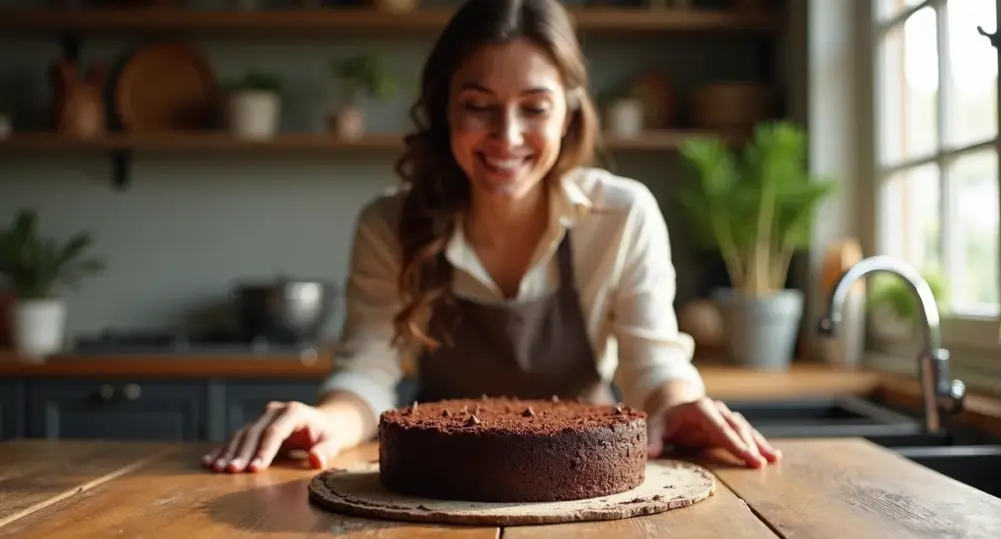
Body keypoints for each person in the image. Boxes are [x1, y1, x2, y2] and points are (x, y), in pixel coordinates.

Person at [202, 0, 780, 474]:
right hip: (441, 480)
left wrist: (681, 404)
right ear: (442, 109)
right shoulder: (390, 225)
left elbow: (651, 363)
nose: (507, 137)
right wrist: (329, 417)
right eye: (479, 106)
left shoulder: (621, 215)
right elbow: (368, 371)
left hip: (587, 479)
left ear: (570, 116)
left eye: (534, 108)